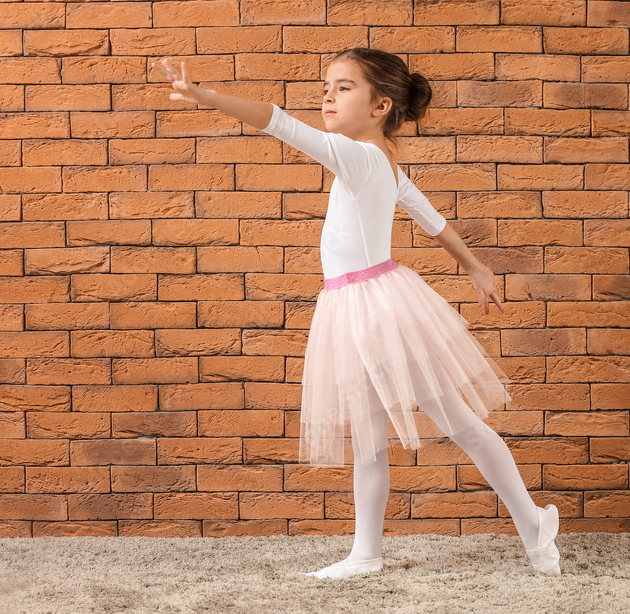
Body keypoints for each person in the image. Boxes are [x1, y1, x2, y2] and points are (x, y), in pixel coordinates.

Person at [151, 49, 561, 579]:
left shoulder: (358, 156)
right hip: (351, 305)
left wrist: (204, 96)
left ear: (380, 105)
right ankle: (366, 553)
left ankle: (532, 524)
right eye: (327, 85)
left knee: (461, 425)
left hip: (379, 309)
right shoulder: (380, 159)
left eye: (344, 87)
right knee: (370, 437)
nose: (327, 95)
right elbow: (429, 215)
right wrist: (475, 266)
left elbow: (279, 124)